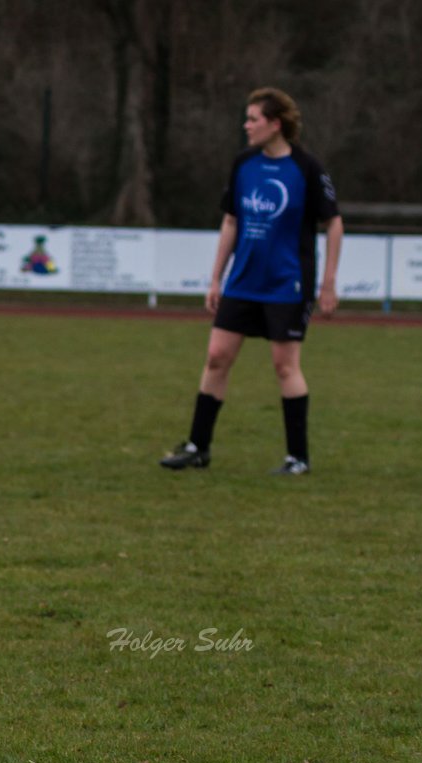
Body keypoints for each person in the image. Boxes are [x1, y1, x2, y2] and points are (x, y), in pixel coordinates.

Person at [160, 87, 343, 475]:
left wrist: (328, 283)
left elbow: (334, 222)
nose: (246, 126)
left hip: (287, 283)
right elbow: (231, 221)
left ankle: (298, 458)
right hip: (242, 282)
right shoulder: (243, 164)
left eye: (253, 119)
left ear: (275, 125)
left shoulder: (307, 168)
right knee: (216, 357)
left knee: (284, 366)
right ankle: (197, 447)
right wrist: (215, 278)